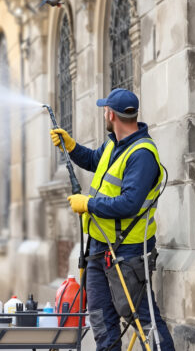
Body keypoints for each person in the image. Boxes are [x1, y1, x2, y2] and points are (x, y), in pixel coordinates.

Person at [50, 88, 175, 351]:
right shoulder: (113, 144)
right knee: (100, 319)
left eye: (105, 110)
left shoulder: (142, 154)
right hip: (98, 248)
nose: (104, 113)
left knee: (143, 318)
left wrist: (88, 204)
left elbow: (129, 204)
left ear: (111, 115)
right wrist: (71, 147)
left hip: (127, 252)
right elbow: (94, 160)